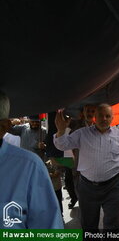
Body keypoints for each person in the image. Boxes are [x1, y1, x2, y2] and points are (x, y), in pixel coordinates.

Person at [54, 103, 119, 231]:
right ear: (95, 117)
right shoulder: (82, 134)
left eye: (108, 116)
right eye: (101, 115)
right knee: (89, 224)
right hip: (87, 187)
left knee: (112, 223)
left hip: (113, 186)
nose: (104, 119)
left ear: (112, 118)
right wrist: (61, 131)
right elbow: (62, 145)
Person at [0, 91, 63, 229]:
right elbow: (12, 129)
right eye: (32, 121)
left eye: (36, 122)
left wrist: (45, 147)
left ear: (1, 127)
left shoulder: (44, 135)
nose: (34, 124)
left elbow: (46, 226)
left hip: (39, 168)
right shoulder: (23, 129)